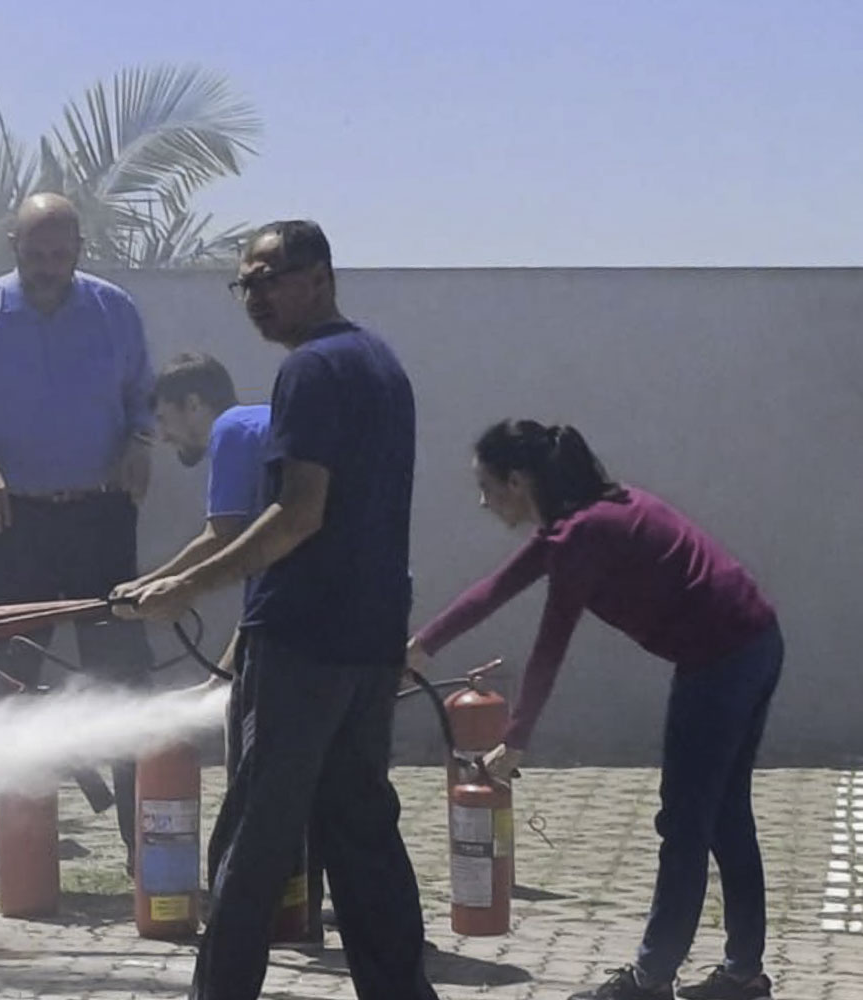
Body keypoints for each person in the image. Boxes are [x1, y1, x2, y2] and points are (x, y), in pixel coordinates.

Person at [127, 220, 437, 1000]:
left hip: (301, 641)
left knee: (256, 837)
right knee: (361, 828)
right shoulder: (382, 365)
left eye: (268, 278)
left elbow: (299, 515)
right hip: (370, 638)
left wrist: (187, 588)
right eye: (245, 284)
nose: (254, 297)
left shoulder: (309, 371)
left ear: (320, 277)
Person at [408, 420, 782, 1000]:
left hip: (720, 661)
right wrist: (418, 650)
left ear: (517, 480)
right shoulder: (584, 522)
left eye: (486, 486)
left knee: (684, 823)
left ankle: (651, 979)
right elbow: (492, 590)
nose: (483, 502)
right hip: (753, 641)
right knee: (726, 814)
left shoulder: (584, 534)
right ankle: (743, 974)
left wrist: (517, 737)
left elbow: (551, 640)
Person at [0, 192, 158, 893]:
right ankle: (6, 852)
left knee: (124, 683)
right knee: (1, 684)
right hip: (10, 522)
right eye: (36, 254)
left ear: (79, 249)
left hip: (99, 521)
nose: (49, 267)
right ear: (12, 245)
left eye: (62, 254)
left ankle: (146, 851)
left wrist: (139, 439)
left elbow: (145, 399)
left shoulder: (115, 311)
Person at [111, 351, 270, 680]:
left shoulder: (231, 430)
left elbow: (219, 537)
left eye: (164, 418)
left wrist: (146, 586)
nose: (164, 435)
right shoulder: (258, 424)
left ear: (194, 404)